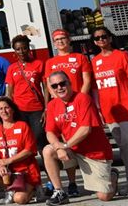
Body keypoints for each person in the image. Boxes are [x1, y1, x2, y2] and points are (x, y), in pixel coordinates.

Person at [43, 71, 116, 205]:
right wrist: (57, 146)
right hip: (72, 149)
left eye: (62, 83)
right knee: (48, 151)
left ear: (69, 83)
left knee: (104, 196)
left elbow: (85, 129)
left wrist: (64, 146)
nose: (59, 88)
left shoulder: (83, 98)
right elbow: (50, 132)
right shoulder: (53, 105)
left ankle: (112, 176)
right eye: (54, 86)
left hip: (94, 153)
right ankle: (59, 192)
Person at [90, 27, 128, 197]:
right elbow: (95, 89)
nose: (101, 40)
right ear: (94, 42)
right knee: (122, 148)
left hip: (127, 108)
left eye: (104, 36)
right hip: (109, 112)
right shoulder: (94, 62)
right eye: (97, 38)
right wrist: (98, 108)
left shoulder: (121, 56)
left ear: (110, 38)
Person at [44, 29, 92, 196]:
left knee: (77, 142)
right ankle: (70, 184)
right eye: (56, 39)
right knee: (63, 147)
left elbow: (86, 80)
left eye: (63, 38)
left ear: (69, 39)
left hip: (79, 106)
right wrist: (56, 103)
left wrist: (80, 101)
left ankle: (73, 182)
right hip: (61, 109)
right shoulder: (50, 62)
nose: (60, 42)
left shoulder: (80, 58)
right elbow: (50, 86)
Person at [0, 97, 40, 205]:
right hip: (8, 172)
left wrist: (8, 161)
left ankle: (35, 189)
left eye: (6, 108)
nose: (4, 111)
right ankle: (9, 190)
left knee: (19, 199)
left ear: (13, 109)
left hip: (26, 171)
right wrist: (0, 165)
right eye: (0, 109)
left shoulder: (22, 126)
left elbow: (29, 150)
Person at [5, 34, 47, 147]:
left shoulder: (39, 64)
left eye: (24, 48)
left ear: (28, 48)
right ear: (14, 51)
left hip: (37, 109)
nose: (21, 51)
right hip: (19, 110)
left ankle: (48, 163)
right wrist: (9, 112)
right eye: (18, 49)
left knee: (40, 138)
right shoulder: (11, 68)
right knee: (24, 140)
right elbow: (10, 92)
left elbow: (46, 88)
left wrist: (46, 109)